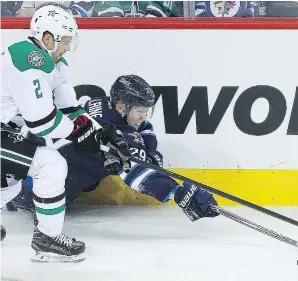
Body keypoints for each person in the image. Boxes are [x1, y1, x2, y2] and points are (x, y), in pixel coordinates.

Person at [11, 75, 220, 223]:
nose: (144, 116)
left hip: (29, 163)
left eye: (146, 110)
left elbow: (144, 127)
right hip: (32, 191)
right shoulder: (117, 136)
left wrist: (151, 152)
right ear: (121, 107)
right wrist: (177, 192)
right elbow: (136, 172)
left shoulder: (100, 104)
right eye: (140, 110)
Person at [1, 5, 102, 263]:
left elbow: (69, 108)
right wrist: (79, 133)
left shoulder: (55, 63)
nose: (68, 47)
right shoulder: (28, 58)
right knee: (49, 164)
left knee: (12, 182)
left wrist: (103, 135)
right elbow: (42, 121)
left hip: (5, 132)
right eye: (65, 41)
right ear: (48, 39)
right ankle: (47, 239)